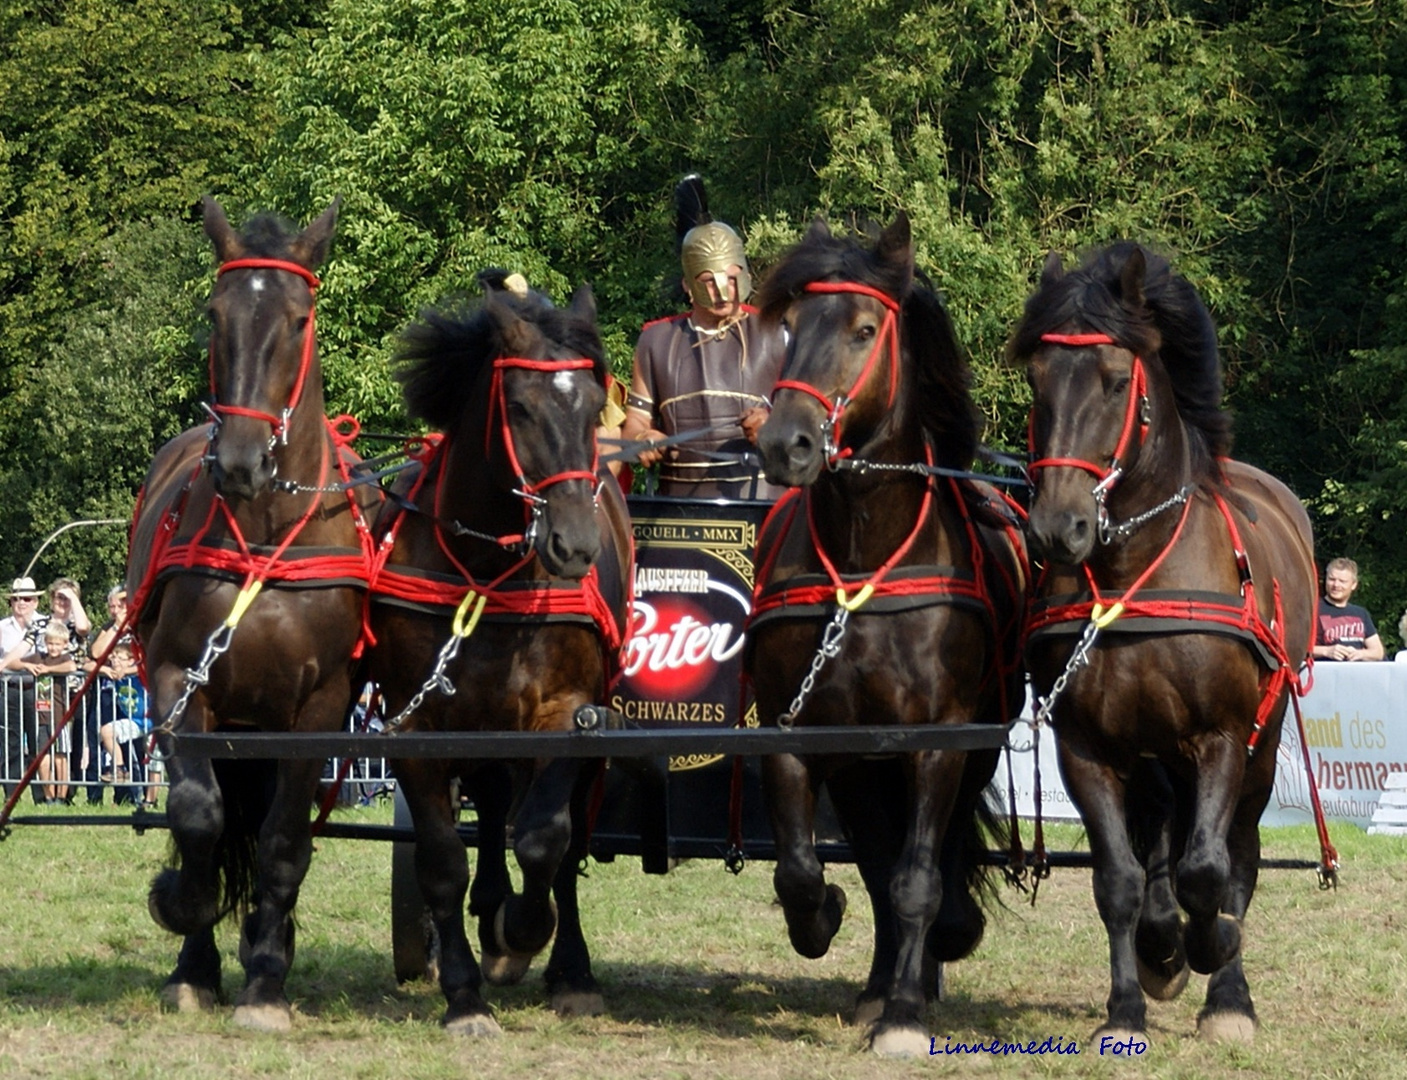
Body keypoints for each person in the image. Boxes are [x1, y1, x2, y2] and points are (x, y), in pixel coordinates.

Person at [620, 175, 787, 500]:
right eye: (708, 280)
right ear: (687, 284)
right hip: (679, 513)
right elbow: (635, 423)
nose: (721, 290)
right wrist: (643, 438)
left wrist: (774, 424)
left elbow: (814, 416)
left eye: (731, 277)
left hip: (768, 507)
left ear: (745, 273)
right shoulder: (655, 342)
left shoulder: (778, 332)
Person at [21, 622, 78, 803]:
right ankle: (48, 795)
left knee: (61, 757)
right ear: (46, 642)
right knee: (43, 759)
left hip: (60, 717)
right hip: (41, 717)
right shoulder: (39, 657)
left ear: (65, 644)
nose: (53, 647)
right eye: (51, 643)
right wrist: (29, 667)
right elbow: (17, 661)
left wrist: (48, 669)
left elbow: (71, 667)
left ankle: (62, 795)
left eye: (57, 644)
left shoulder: (64, 658)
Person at [0, 576, 46, 797]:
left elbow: (44, 657)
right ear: (11, 602)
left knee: (39, 740)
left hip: (38, 689)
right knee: (11, 741)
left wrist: (17, 662)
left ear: (35, 602)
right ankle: (11, 790)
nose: (22, 603)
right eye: (17, 599)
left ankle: (41, 792)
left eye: (27, 598)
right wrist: (26, 663)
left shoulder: (45, 624)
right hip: (9, 690)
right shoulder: (2, 627)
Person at [1313, 557, 1384, 661]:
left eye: (1342, 581)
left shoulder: (1361, 613)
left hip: (1357, 673)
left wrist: (1360, 654)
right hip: (1323, 673)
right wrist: (1327, 651)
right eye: (1332, 579)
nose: (1336, 585)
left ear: (1353, 585)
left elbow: (1378, 652)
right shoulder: (1313, 610)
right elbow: (1294, 649)